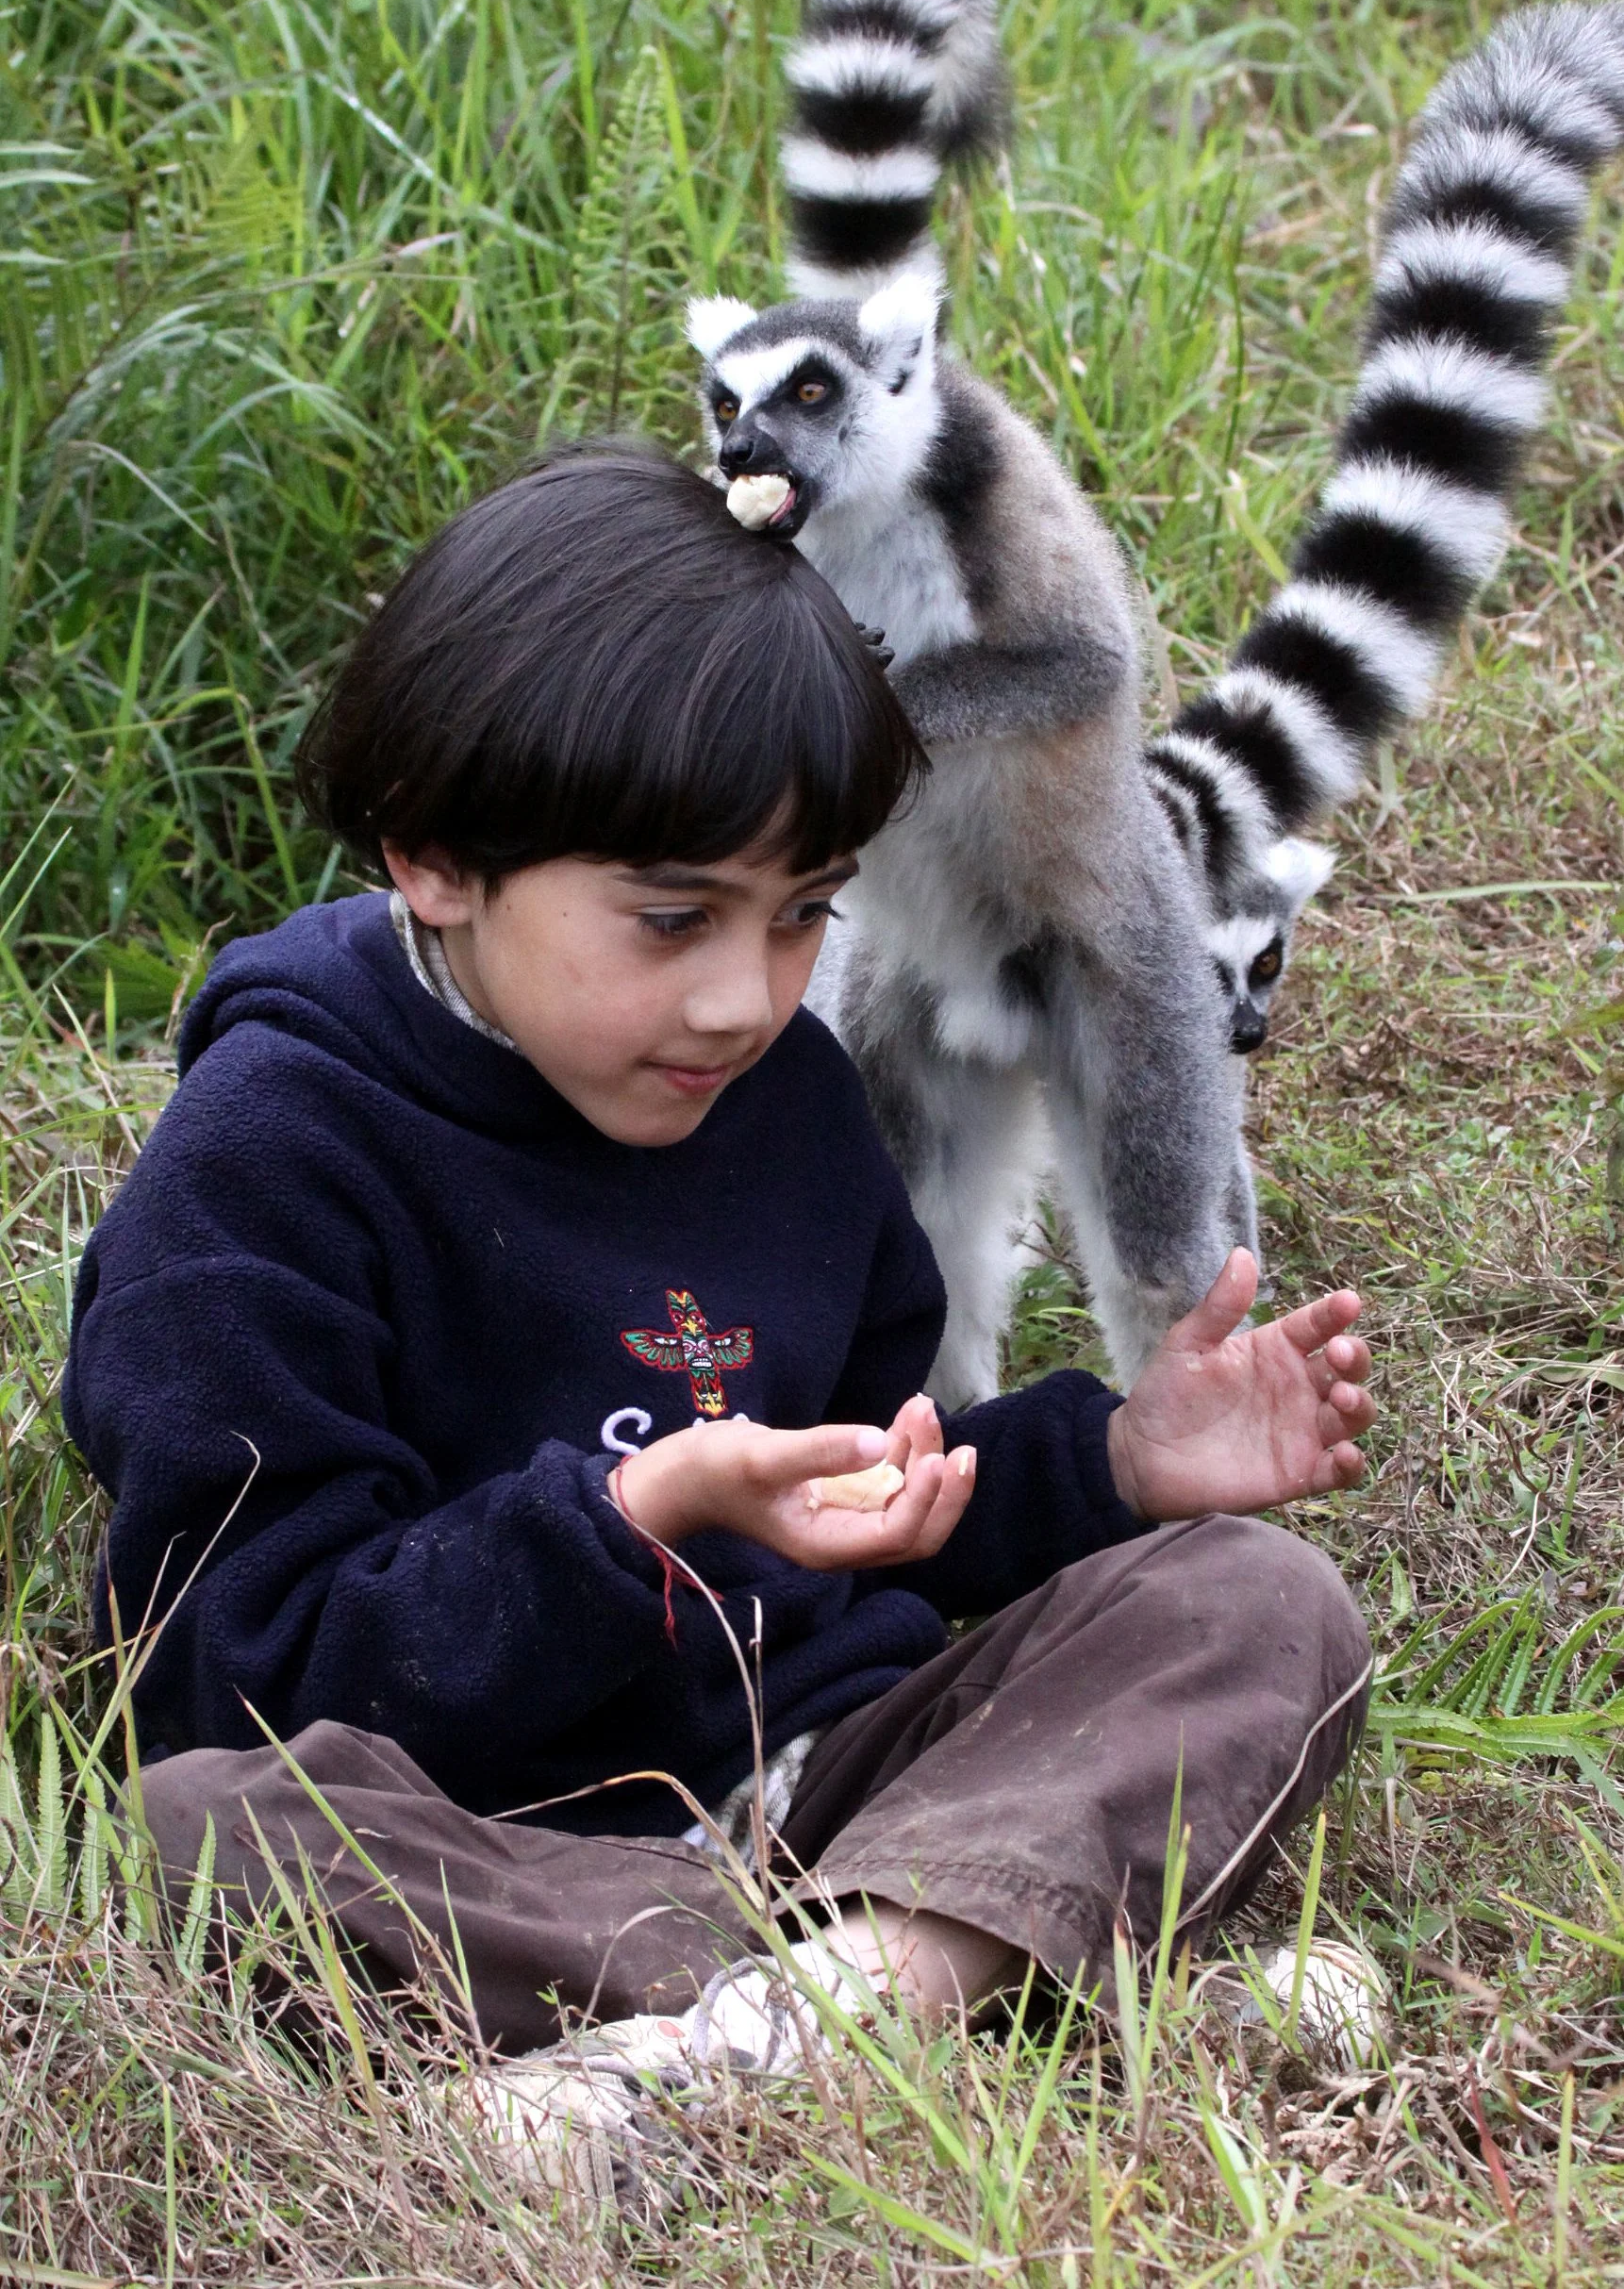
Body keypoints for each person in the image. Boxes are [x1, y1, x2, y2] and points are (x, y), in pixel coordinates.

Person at [65, 445, 1376, 2214]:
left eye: (804, 913)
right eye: (672, 916)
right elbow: (243, 1669)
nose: (742, 996)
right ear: (434, 854)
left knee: (1256, 1601)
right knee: (212, 1832)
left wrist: (1111, 1459)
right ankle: (959, 1978)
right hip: (517, 1842)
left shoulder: (783, 1099)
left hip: (827, 1779)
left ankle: (751, 2046)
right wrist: (632, 1518)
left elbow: (870, 1488)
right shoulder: (267, 1161)